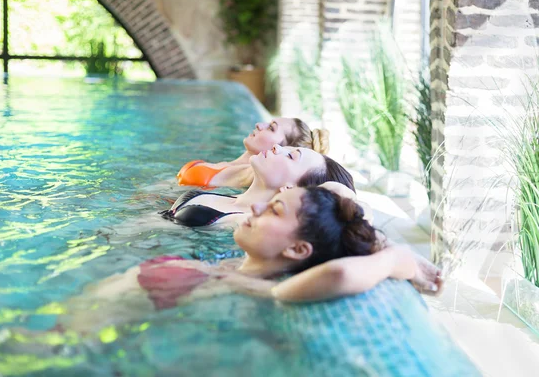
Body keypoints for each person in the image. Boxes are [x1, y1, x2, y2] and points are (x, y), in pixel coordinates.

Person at [65, 185, 440, 333]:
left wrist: (397, 258)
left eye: (275, 210)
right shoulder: (230, 270)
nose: (257, 206)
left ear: (297, 250)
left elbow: (340, 273)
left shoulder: (262, 290)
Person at [161, 144, 354, 227]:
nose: (277, 147)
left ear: (291, 189)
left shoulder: (247, 222)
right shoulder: (228, 197)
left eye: (290, 156)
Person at [177, 118, 330, 188]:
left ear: (282, 149)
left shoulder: (246, 179)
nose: (259, 125)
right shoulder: (234, 168)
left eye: (271, 128)